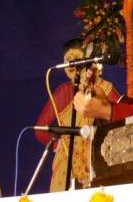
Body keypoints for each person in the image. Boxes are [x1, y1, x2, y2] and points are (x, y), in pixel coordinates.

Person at [35, 38, 121, 192]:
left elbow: (123, 113)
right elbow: (40, 129)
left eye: (75, 58)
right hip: (65, 166)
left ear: (87, 60)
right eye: (67, 59)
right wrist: (59, 145)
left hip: (94, 160)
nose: (71, 63)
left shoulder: (101, 86)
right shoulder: (63, 92)